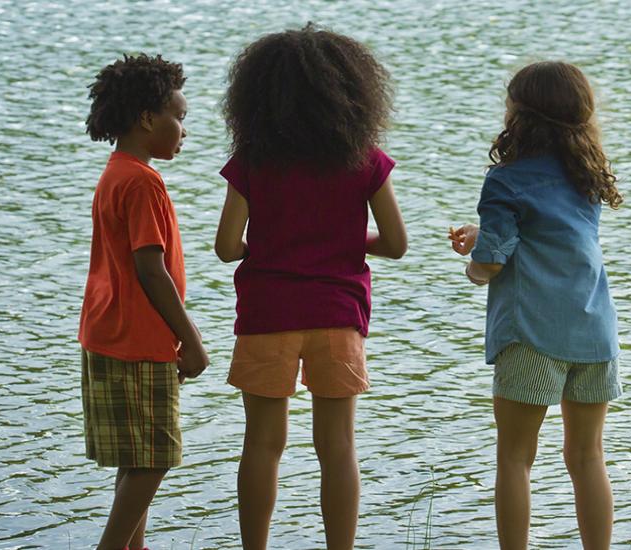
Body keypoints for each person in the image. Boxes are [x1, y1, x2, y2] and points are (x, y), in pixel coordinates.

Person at [211, 24, 406, 550]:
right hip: (337, 314)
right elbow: (395, 242)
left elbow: (228, 246)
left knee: (262, 445)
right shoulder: (365, 159)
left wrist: (268, 246)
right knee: (339, 447)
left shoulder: (252, 160)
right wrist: (346, 240)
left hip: (267, 315)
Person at [449, 60, 623, 550]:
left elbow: (492, 267)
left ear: (520, 115)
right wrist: (488, 237)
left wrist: (476, 261)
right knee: (588, 456)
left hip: (531, 334)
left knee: (515, 458)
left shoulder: (505, 180)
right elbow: (554, 239)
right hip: (593, 331)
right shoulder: (587, 174)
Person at [77, 53, 207, 550]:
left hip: (107, 332)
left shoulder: (117, 172)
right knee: (154, 458)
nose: (183, 130)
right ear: (148, 118)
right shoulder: (143, 182)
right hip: (139, 339)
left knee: (136, 459)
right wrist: (190, 340)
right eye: (180, 117)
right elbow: (149, 269)